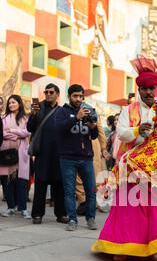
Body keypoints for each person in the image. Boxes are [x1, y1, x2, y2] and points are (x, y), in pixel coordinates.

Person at [91, 56, 157, 261]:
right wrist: (139, 129)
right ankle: (121, 247)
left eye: (153, 88)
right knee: (128, 209)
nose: (149, 92)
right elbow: (121, 132)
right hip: (132, 167)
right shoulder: (128, 111)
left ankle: (153, 248)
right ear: (139, 90)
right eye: (145, 89)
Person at [55, 84, 99, 231]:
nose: (78, 99)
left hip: (86, 157)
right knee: (69, 191)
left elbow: (93, 136)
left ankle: (91, 218)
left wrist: (93, 127)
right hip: (67, 158)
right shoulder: (62, 111)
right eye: (75, 96)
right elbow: (60, 129)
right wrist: (76, 118)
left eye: (80, 96)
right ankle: (72, 220)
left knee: (91, 190)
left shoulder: (89, 110)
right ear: (69, 96)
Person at [27, 83, 67, 225]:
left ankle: (61, 214)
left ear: (57, 94)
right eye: (46, 92)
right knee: (40, 184)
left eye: (51, 92)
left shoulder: (63, 110)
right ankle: (37, 214)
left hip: (59, 153)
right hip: (42, 152)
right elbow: (30, 128)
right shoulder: (39, 108)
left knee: (59, 184)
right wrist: (32, 114)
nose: (48, 94)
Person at [0, 95, 31, 218]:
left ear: (19, 103)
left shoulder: (25, 118)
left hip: (21, 151)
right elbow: (1, 133)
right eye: (9, 103)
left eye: (14, 102)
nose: (11, 105)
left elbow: (27, 132)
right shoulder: (3, 118)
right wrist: (17, 135)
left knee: (21, 181)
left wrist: (12, 131)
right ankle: (10, 207)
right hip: (5, 152)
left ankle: (23, 208)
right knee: (7, 181)